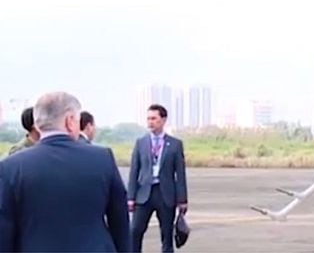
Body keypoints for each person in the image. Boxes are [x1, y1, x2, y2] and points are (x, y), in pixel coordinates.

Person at [0, 91, 130, 252]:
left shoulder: (11, 167)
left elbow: (4, 230)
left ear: (38, 124)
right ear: (70, 121)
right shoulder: (102, 158)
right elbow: (120, 221)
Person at [128, 104, 188, 253]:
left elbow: (180, 174)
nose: (150, 122)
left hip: (165, 195)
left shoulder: (175, 144)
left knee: (167, 235)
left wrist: (182, 199)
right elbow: (134, 171)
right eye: (148, 119)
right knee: (135, 231)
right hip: (144, 194)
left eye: (154, 118)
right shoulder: (141, 143)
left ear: (163, 120)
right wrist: (131, 197)